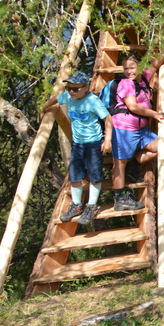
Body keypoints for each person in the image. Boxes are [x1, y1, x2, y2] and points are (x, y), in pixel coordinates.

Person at [41, 71, 113, 225]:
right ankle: (76, 205)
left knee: (94, 175)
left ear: (86, 87)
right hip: (77, 143)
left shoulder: (93, 101)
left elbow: (108, 118)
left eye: (75, 89)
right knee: (74, 175)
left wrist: (107, 140)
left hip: (93, 144)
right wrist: (43, 108)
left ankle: (92, 206)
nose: (71, 92)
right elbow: (55, 99)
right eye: (69, 88)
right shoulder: (68, 97)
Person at [109, 52, 164, 211]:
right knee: (119, 164)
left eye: (132, 68)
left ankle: (133, 164)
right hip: (123, 129)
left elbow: (153, 65)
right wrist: (154, 114)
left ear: (140, 67)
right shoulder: (126, 83)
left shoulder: (144, 78)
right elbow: (133, 106)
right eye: (126, 68)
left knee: (161, 147)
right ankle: (119, 199)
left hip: (139, 129)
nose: (129, 71)